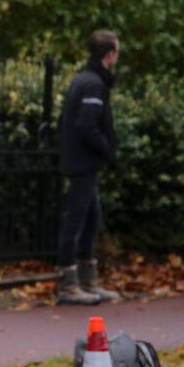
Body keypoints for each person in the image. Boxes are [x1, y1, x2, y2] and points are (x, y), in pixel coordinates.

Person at [55, 30, 121, 305]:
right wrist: (107, 149)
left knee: (90, 219)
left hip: (81, 161)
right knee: (76, 221)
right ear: (109, 55)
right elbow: (86, 125)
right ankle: (68, 284)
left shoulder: (84, 80)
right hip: (84, 163)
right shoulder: (94, 85)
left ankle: (87, 280)